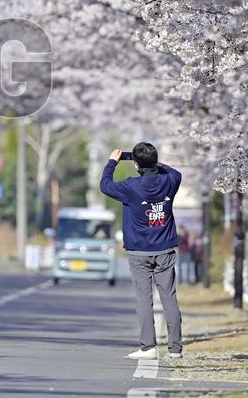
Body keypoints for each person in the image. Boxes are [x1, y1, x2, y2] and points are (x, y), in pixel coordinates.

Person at [99, 142, 184, 360]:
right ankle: (175, 349)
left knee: (144, 299)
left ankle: (149, 347)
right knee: (169, 298)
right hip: (165, 249)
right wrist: (152, 161)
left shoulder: (130, 187)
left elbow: (105, 185)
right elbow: (175, 171)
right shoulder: (170, 181)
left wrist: (112, 163)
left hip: (139, 251)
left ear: (136, 164)